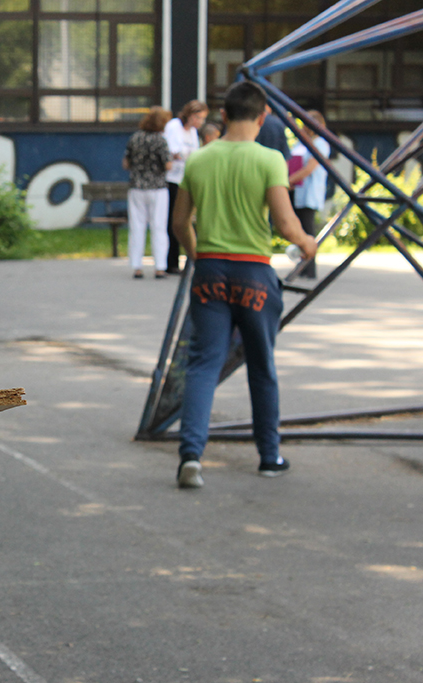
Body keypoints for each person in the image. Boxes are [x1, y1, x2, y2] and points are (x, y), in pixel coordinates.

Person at [171, 80, 317, 489]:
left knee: (203, 364)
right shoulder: (269, 159)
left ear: (222, 115)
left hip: (210, 272)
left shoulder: (199, 159)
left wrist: (200, 256)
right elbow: (286, 223)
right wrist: (307, 242)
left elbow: (180, 223)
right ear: (263, 115)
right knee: (261, 365)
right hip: (254, 274)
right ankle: (269, 456)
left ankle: (191, 456)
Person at [123, 106, 173, 279]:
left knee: (137, 227)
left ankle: (137, 266)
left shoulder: (135, 138)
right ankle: (160, 267)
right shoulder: (160, 141)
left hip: (137, 187)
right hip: (157, 188)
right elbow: (167, 165)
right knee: (159, 227)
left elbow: (126, 163)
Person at [164, 100, 208, 274]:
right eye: (198, 117)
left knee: (188, 220)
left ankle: (189, 259)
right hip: (172, 179)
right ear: (190, 115)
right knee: (174, 220)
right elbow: (174, 152)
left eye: (203, 119)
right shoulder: (174, 126)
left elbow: (194, 155)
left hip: (186, 178)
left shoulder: (193, 132)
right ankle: (172, 262)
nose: (200, 122)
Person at [288, 110, 330, 279]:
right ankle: (302, 266)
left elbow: (309, 168)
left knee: (308, 230)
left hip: (309, 192)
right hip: (297, 190)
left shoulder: (320, 144)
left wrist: (287, 181)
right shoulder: (302, 142)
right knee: (299, 230)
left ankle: (309, 268)